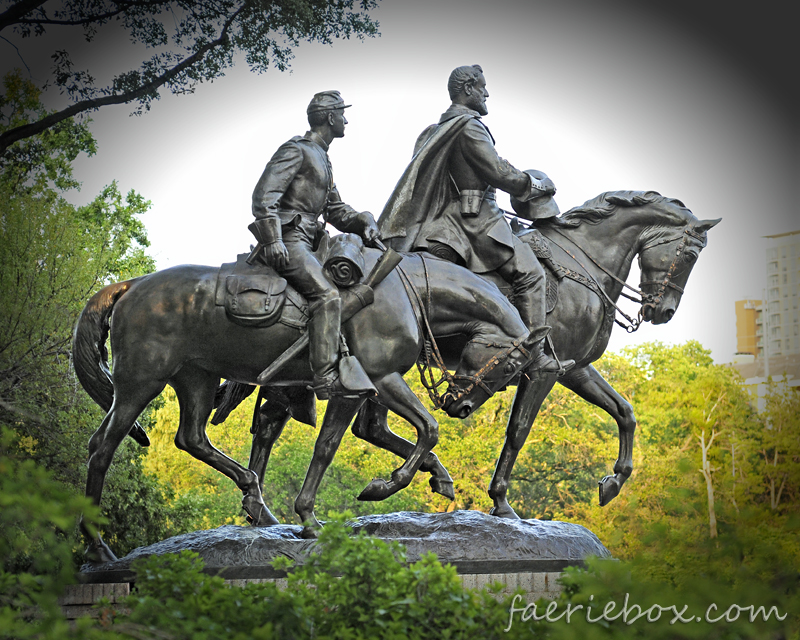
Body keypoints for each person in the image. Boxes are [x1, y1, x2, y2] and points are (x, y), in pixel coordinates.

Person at [378, 65, 573, 374]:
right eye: (482, 88)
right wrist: (537, 186)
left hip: (447, 221)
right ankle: (535, 355)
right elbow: (499, 173)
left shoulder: (439, 128)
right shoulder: (469, 127)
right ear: (468, 89)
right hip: (476, 223)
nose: (486, 94)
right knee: (532, 275)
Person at [250, 90, 380, 399]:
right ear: (331, 118)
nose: (346, 120)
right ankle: (324, 379)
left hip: (311, 242)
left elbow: (335, 211)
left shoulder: (323, 158)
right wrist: (273, 239)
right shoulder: (298, 150)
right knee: (328, 295)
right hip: (291, 240)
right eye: (342, 114)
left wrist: (364, 219)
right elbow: (263, 197)